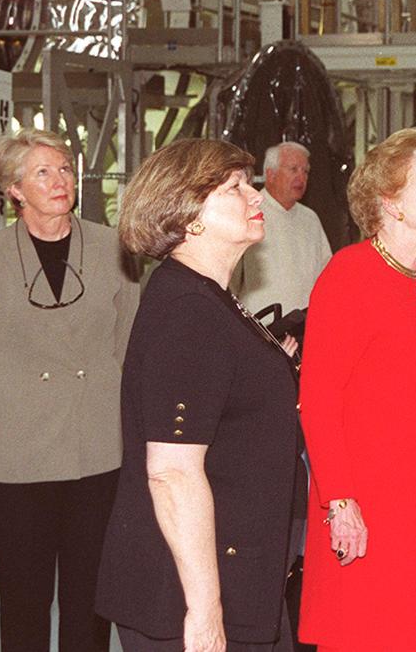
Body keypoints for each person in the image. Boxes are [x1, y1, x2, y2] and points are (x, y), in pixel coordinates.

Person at [96, 140, 301, 652]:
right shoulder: (187, 310)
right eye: (234, 188)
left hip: (235, 570)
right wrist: (206, 612)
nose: (254, 196)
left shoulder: (212, 299)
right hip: (186, 594)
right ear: (189, 216)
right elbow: (172, 472)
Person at [0, 128, 140, 652]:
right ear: (14, 189)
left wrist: (94, 396)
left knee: (89, 599)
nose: (60, 181)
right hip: (18, 455)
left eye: (64, 169)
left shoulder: (113, 248)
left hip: (97, 450)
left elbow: (127, 339)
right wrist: (22, 400)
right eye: (43, 172)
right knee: (23, 597)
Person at [298, 127, 416, 651]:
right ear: (388, 202)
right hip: (373, 514)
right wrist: (341, 503)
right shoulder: (350, 275)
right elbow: (319, 400)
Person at [233, 141, 333, 321]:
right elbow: (229, 280)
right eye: (293, 169)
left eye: (305, 171)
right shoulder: (248, 211)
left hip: (304, 326)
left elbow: (327, 274)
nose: (301, 178)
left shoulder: (310, 218)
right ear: (270, 174)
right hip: (260, 326)